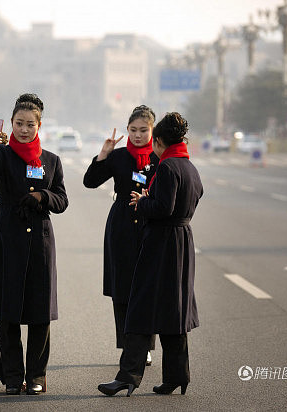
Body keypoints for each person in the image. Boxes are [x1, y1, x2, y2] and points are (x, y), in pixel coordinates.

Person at [98, 112, 203, 397]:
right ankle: (176, 376)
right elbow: (195, 196)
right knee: (174, 309)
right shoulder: (188, 165)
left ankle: (128, 375)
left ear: (158, 141)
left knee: (140, 309)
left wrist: (143, 202)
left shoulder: (168, 166)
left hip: (161, 243)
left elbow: (162, 208)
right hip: (181, 241)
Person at [0, 93, 68, 395]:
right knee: (7, 312)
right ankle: (13, 377)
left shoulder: (51, 160)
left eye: (30, 124)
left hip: (40, 238)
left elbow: (62, 200)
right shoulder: (0, 154)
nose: (24, 129)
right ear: (10, 123)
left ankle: (36, 377)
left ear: (40, 126)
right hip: (6, 235)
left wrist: (43, 197)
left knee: (39, 312)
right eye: (19, 123)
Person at [83, 105, 159, 366]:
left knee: (147, 287)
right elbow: (90, 182)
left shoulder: (160, 158)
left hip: (151, 223)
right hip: (122, 223)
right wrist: (103, 155)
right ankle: (128, 345)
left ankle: (146, 346)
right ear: (127, 130)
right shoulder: (118, 156)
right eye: (133, 130)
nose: (137, 135)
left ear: (153, 131)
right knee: (123, 287)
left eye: (143, 130)